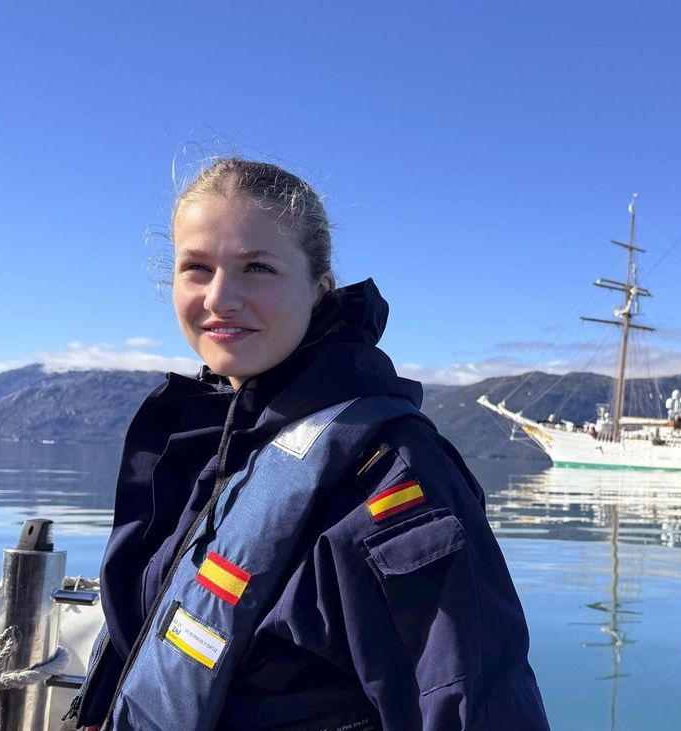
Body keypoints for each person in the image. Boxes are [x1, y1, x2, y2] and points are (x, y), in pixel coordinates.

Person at [67, 158, 549, 730]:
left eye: (258, 268)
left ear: (320, 289)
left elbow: (473, 700)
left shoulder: (391, 474)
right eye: (197, 267)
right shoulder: (218, 449)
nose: (221, 298)